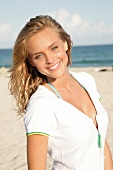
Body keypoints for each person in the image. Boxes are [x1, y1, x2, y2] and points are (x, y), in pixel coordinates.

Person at [9, 15, 113, 170]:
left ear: (65, 44)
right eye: (39, 55)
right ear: (32, 62)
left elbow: (100, 139)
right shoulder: (41, 104)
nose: (50, 59)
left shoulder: (87, 80)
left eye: (54, 48)